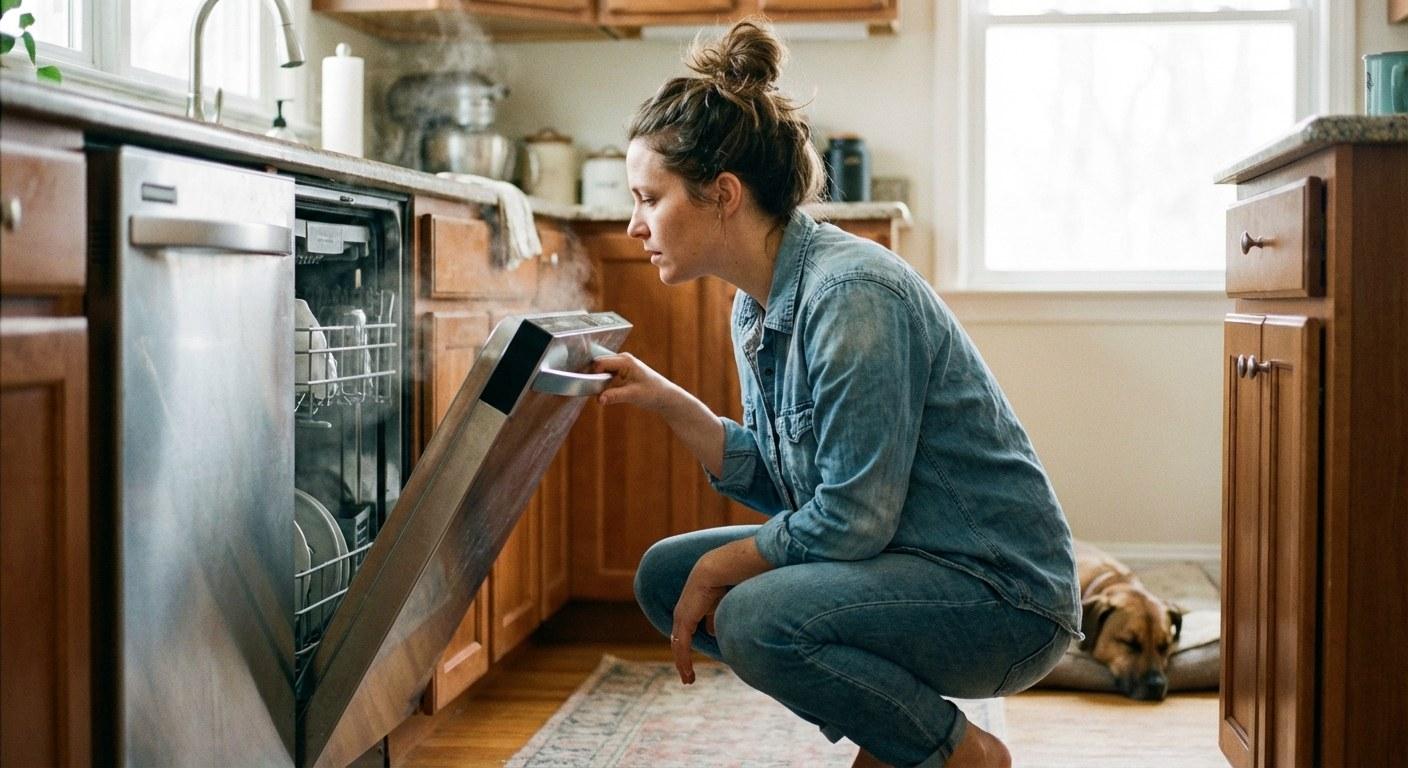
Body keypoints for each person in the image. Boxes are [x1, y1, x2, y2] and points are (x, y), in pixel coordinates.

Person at [590, 18, 1081, 768]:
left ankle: (958, 754)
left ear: (722, 194)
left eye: (649, 198)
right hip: (906, 563)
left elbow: (852, 519)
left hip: (1001, 598)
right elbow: (796, 486)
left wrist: (729, 564)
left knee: (751, 614)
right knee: (665, 576)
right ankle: (897, 736)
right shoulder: (755, 303)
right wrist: (667, 399)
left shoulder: (851, 295)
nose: (633, 224)